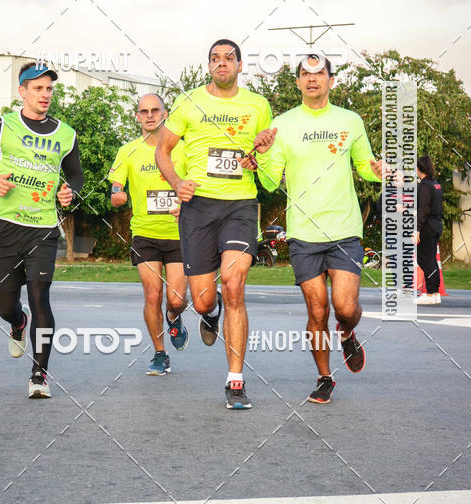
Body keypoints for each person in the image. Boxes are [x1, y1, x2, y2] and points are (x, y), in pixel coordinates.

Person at [251, 52, 383, 404]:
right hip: (303, 233)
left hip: (343, 228)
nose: (312, 79)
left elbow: (365, 165)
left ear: (330, 80)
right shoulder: (282, 124)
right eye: (305, 75)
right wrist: (260, 156)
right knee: (317, 311)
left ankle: (349, 333)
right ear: (297, 83)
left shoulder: (350, 120)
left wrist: (378, 170)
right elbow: (268, 181)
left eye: (319, 73)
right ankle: (325, 377)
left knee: (343, 307)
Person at [155, 39, 273, 410]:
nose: (222, 64)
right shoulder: (189, 102)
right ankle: (211, 311)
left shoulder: (258, 105)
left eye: (229, 58)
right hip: (199, 208)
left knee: (235, 283)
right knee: (203, 298)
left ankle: (235, 381)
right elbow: (163, 150)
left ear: (240, 65)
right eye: (215, 59)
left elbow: (268, 155)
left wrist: (260, 160)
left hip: (239, 204)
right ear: (208, 66)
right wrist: (177, 183)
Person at [0, 62, 83, 398]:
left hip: (43, 229)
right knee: (5, 306)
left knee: (40, 297)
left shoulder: (65, 134)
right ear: (22, 91)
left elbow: (76, 176)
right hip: (5, 225)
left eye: (49, 89)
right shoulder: (3, 125)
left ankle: (39, 375)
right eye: (38, 88)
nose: (45, 94)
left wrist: (70, 191)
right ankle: (18, 323)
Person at [109, 94, 189, 376]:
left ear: (165, 114)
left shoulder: (184, 149)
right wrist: (117, 196)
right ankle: (159, 353)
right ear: (137, 117)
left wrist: (189, 205)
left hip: (180, 234)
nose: (150, 115)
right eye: (144, 111)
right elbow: (116, 188)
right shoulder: (127, 151)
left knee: (176, 299)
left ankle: (174, 316)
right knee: (152, 294)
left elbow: (198, 186)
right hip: (144, 233)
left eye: (155, 110)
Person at [416, 155, 443, 305]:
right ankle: (435, 293)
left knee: (425, 259)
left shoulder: (425, 185)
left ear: (420, 168)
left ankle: (431, 292)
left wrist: (417, 229)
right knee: (431, 259)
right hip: (436, 224)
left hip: (427, 226)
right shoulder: (436, 184)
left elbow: (424, 209)